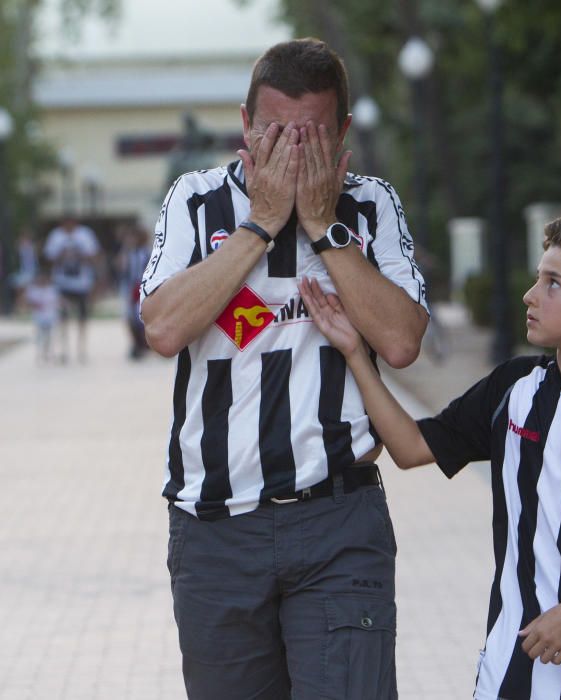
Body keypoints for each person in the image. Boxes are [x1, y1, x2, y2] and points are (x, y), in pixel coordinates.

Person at [300, 211, 561, 700]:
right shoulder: (514, 388)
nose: (531, 295)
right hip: (512, 653)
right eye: (537, 278)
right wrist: (355, 355)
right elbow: (409, 448)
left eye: (553, 284)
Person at [140, 38, 428, 699]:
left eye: (314, 137)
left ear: (344, 133)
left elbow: (402, 342)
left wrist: (324, 225)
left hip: (337, 518)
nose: (293, 152)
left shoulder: (370, 204)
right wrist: (262, 224)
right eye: (274, 133)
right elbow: (162, 328)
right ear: (244, 125)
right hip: (215, 526)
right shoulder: (196, 200)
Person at [43, 215, 101, 362]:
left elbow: (94, 256)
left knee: (82, 318)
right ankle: (64, 349)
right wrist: (61, 255)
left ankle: (81, 349)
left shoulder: (85, 235)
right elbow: (48, 258)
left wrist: (81, 255)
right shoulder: (56, 236)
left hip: (82, 283)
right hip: (62, 283)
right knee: (63, 318)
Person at [115, 224, 151, 359]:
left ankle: (144, 344)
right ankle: (136, 343)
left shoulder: (146, 252)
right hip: (129, 289)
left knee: (141, 317)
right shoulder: (128, 253)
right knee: (129, 318)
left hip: (141, 288)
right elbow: (120, 266)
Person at [24, 261, 60, 364]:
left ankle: (48, 353)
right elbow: (28, 302)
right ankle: (39, 353)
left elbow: (57, 301)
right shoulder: (33, 289)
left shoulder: (52, 289)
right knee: (40, 336)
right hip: (39, 317)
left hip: (51, 316)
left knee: (50, 336)